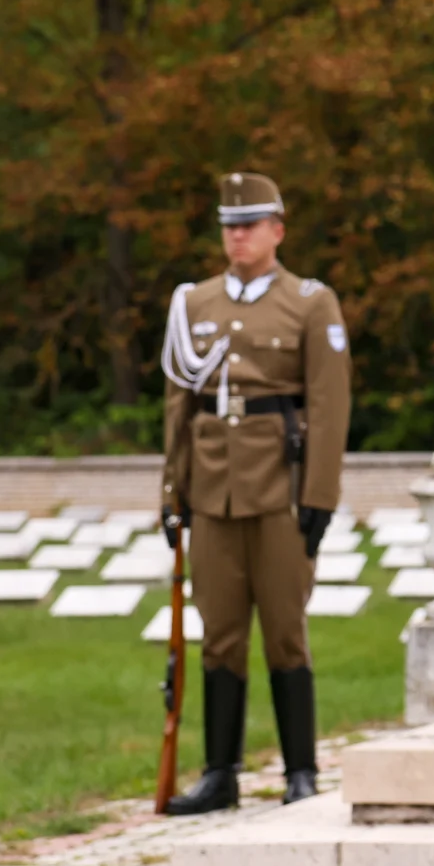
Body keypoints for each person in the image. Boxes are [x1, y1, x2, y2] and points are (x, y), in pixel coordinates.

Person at [157, 171, 351, 812]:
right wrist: (171, 492)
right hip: (213, 493)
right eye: (229, 226)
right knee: (220, 636)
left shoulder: (310, 301)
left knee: (285, 633)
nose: (237, 236)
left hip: (281, 492)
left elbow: (327, 407)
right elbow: (178, 408)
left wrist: (319, 497)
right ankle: (221, 775)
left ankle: (300, 771)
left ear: (277, 229)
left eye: (249, 225)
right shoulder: (193, 304)